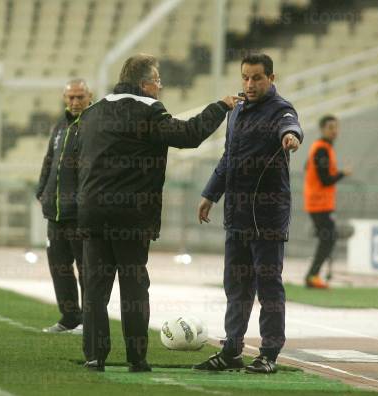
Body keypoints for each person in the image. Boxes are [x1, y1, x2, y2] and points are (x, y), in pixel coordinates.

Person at [77, 53, 241, 372]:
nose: (160, 87)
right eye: (158, 80)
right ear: (145, 83)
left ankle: (95, 356)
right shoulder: (149, 110)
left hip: (92, 211)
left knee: (95, 289)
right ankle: (137, 358)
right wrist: (220, 106)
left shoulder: (93, 112)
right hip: (130, 215)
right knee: (134, 286)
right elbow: (188, 135)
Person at [195, 53, 302, 374]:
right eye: (245, 77)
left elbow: (291, 126)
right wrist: (210, 194)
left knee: (269, 286)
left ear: (271, 78)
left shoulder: (281, 110)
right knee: (236, 287)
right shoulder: (237, 110)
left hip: (268, 218)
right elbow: (229, 157)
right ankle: (231, 350)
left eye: (256, 78)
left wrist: (291, 137)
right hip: (237, 216)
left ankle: (269, 352)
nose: (250, 84)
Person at [36, 79, 92, 334]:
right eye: (70, 97)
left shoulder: (94, 126)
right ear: (64, 98)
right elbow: (50, 160)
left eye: (80, 97)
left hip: (80, 213)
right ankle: (70, 317)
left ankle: (90, 321)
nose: (75, 102)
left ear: (90, 96)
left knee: (86, 269)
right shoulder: (59, 126)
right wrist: (42, 190)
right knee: (59, 268)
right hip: (55, 211)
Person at [303, 115, 350, 289]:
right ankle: (312, 276)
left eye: (336, 127)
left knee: (328, 238)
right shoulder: (322, 149)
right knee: (328, 238)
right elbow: (325, 180)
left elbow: (308, 168)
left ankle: (312, 275)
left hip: (320, 202)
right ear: (322, 129)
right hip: (319, 203)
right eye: (330, 127)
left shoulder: (322, 148)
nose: (334, 131)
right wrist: (342, 173)